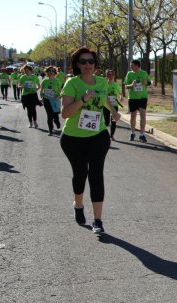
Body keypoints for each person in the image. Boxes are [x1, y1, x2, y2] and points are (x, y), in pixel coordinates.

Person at [60, 47, 120, 234]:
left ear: (95, 64)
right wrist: (83, 100)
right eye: (83, 61)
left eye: (91, 61)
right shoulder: (72, 83)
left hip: (98, 136)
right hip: (73, 138)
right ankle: (78, 205)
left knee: (96, 174)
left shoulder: (102, 81)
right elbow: (65, 113)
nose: (88, 65)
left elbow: (104, 100)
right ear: (77, 64)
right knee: (80, 173)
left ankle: (98, 221)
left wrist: (113, 111)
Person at [123, 59, 149, 142]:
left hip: (142, 97)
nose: (130, 66)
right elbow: (126, 86)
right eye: (130, 65)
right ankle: (132, 133)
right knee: (133, 116)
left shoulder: (144, 73)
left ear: (137, 65)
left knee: (143, 115)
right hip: (132, 98)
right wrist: (132, 84)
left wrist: (146, 83)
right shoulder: (129, 74)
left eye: (132, 65)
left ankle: (142, 134)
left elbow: (149, 82)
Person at [40, 66, 62, 136]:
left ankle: (57, 121)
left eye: (52, 71)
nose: (51, 72)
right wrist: (42, 97)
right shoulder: (44, 81)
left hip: (55, 100)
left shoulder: (57, 81)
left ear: (55, 72)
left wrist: (58, 96)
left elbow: (61, 91)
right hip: (47, 100)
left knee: (55, 115)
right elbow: (41, 90)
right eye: (49, 71)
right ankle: (50, 130)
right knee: (49, 116)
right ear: (47, 72)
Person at [103, 69, 122, 140]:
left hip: (114, 105)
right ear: (106, 76)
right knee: (106, 122)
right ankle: (104, 134)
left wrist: (121, 97)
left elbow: (120, 93)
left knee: (114, 121)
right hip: (106, 105)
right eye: (108, 75)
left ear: (114, 76)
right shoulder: (104, 84)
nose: (110, 76)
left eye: (111, 75)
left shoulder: (116, 85)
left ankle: (112, 135)